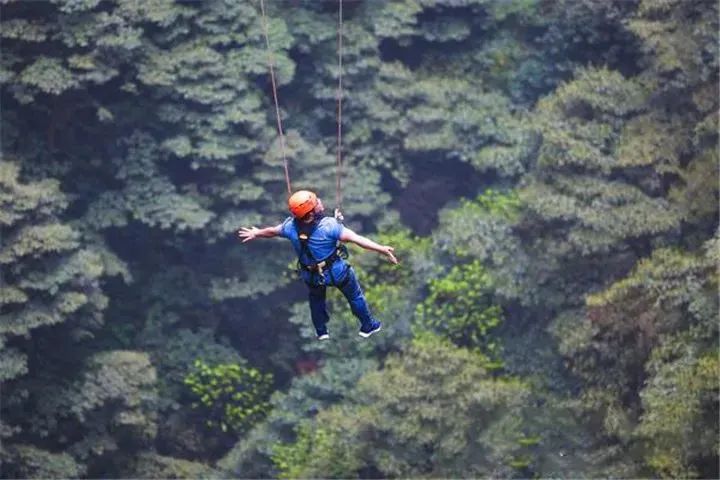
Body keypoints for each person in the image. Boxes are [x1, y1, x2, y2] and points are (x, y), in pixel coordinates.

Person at [237, 190, 398, 340]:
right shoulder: (329, 226)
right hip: (336, 272)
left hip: (312, 275)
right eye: (316, 203)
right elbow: (357, 239)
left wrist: (257, 233)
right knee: (355, 296)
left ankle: (321, 330)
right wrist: (381, 249)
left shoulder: (290, 227)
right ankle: (367, 325)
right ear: (311, 212)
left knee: (316, 299)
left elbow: (272, 231)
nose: (320, 202)